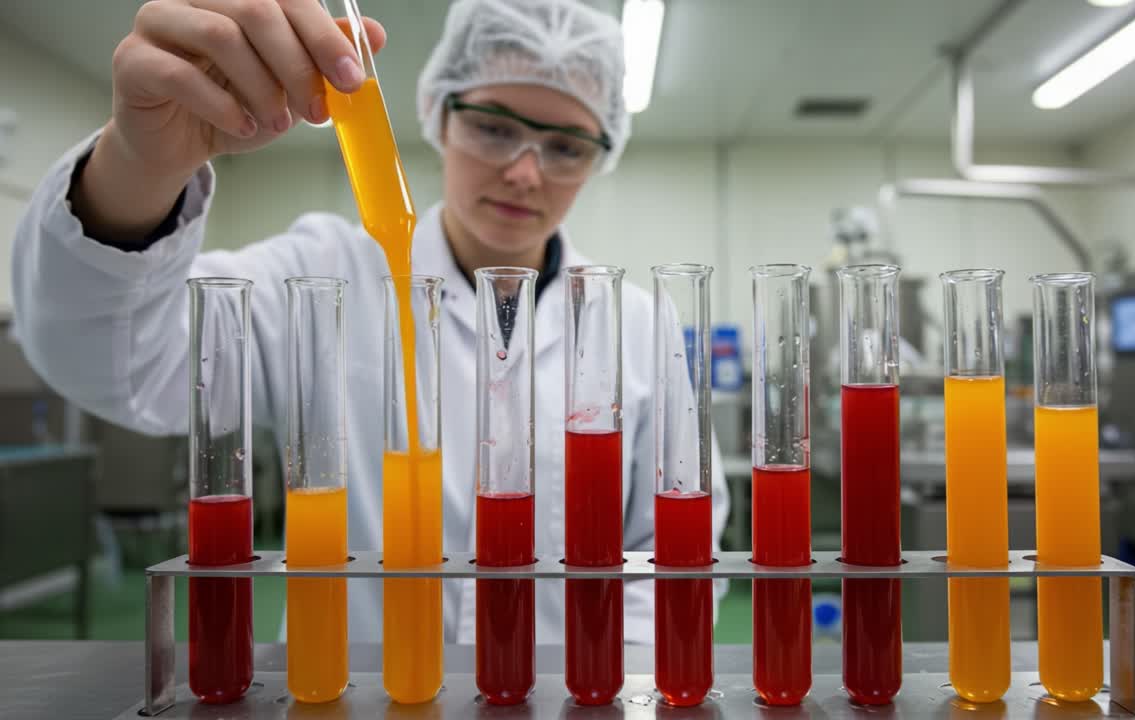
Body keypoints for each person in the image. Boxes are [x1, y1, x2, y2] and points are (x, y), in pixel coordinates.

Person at [10, 0, 729, 645]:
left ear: (601, 157)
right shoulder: (326, 275)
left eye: (566, 146)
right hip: (352, 694)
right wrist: (138, 169)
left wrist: (601, 675)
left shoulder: (636, 323)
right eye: (493, 127)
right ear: (437, 114)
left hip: (566, 693)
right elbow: (121, 365)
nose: (523, 171)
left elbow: (671, 551)